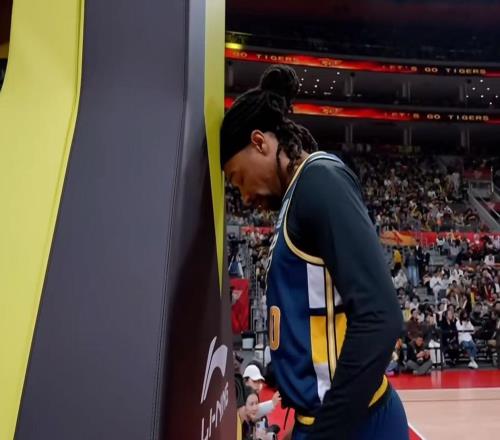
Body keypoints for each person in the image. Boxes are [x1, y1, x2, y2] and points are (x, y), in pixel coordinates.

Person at [220, 65, 408, 439]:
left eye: (239, 178)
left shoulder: (320, 180)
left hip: (357, 425)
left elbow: (380, 317)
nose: (244, 195)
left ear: (260, 143)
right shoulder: (295, 199)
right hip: (325, 420)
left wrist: (323, 432)